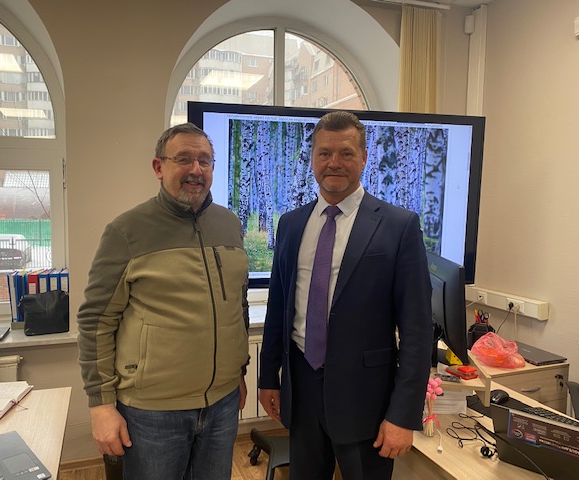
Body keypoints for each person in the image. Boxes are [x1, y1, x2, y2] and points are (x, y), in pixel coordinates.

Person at [258, 111, 433, 480]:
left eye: (346, 153)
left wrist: (403, 416)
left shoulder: (398, 226)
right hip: (302, 391)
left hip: (366, 400)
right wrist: (269, 377)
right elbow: (279, 307)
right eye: (324, 153)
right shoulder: (291, 224)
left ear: (364, 158)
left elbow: (417, 331)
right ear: (312, 158)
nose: (334, 163)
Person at [77, 123, 250, 480]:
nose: (196, 169)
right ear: (159, 167)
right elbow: (96, 320)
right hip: (152, 412)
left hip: (222, 404)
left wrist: (238, 373)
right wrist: (101, 404)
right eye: (183, 159)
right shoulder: (126, 231)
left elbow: (238, 305)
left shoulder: (230, 224)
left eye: (205, 160)